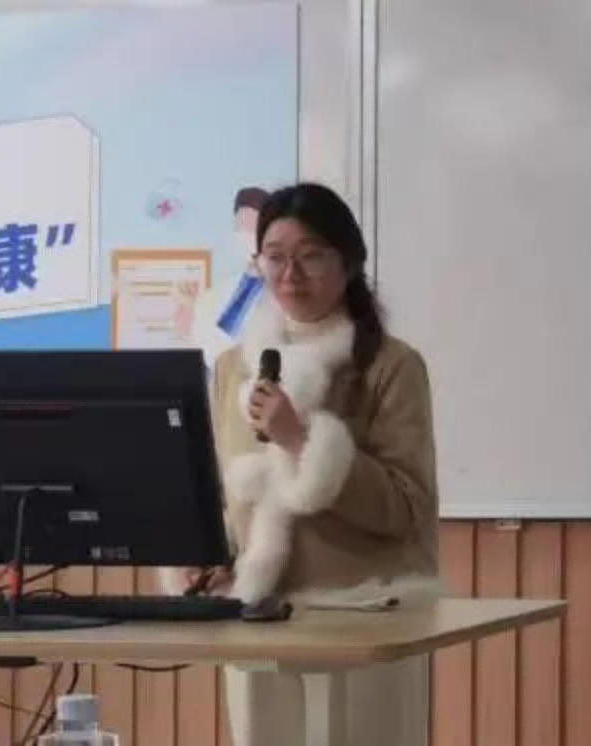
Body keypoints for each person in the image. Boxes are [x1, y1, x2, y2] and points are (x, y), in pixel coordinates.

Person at [162, 182, 443, 746]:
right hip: (258, 618)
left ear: (349, 262)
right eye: (275, 257)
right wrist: (208, 558)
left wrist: (302, 441)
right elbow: (222, 495)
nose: (290, 275)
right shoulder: (234, 368)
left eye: (311, 256)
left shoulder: (390, 366)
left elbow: (407, 509)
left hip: (364, 620)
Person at [173, 186, 270, 365]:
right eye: (239, 226)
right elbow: (206, 342)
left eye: (250, 226)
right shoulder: (223, 291)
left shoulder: (281, 289)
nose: (243, 233)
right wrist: (187, 309)